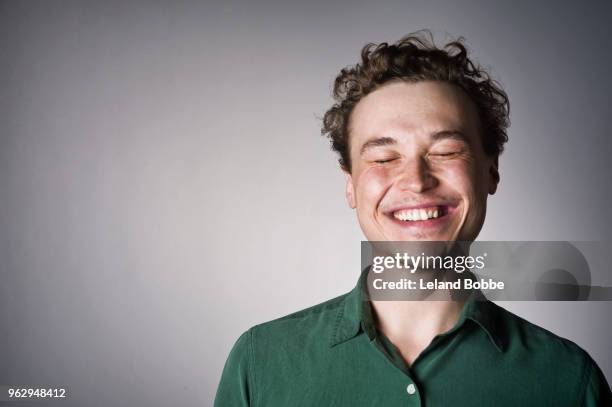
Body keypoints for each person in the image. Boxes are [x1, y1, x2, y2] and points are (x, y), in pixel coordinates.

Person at [214, 32, 611, 406]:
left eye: (446, 151)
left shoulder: (569, 380)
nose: (417, 181)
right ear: (350, 186)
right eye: (384, 159)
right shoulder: (260, 364)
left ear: (490, 171)